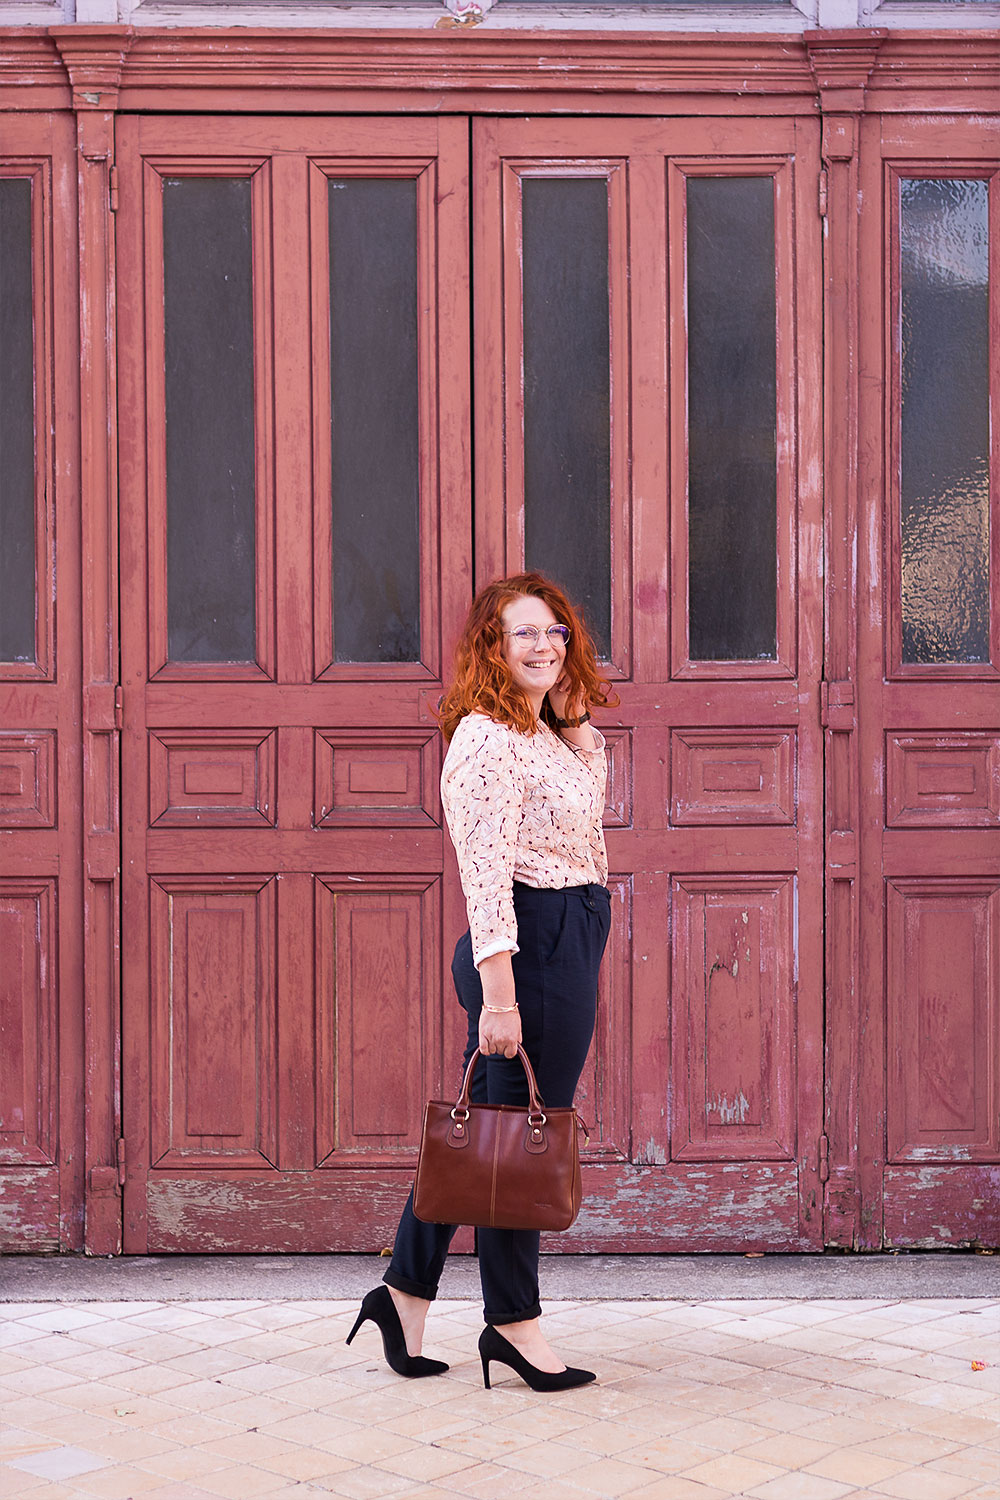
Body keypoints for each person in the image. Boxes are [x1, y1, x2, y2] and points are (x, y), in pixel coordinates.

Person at [346, 572, 615, 1390]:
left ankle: (404, 1292)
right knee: (523, 1141)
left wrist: (569, 718)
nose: (543, 646)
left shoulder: (545, 731)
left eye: (555, 631)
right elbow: (484, 874)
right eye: (523, 633)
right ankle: (514, 1324)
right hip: (526, 948)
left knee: (488, 1132)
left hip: (565, 934)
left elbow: (583, 814)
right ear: (490, 648)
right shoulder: (485, 739)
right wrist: (501, 999)